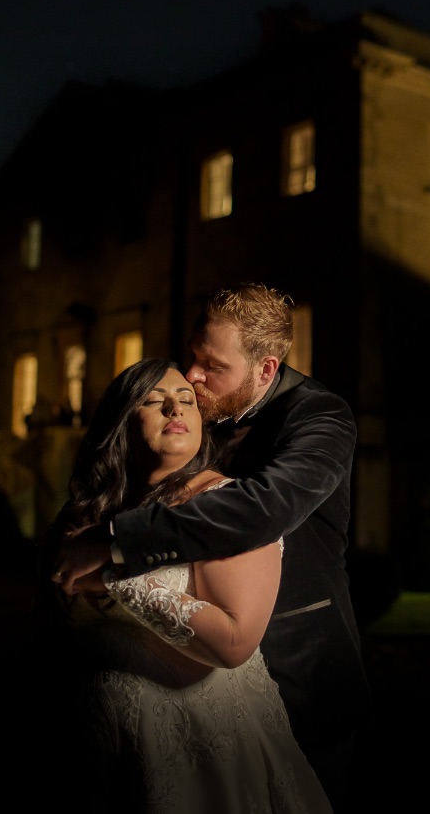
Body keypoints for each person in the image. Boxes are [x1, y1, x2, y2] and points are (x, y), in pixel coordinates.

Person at [55, 284, 371, 810]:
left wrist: (117, 543)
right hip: (170, 694)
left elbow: (264, 508)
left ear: (266, 370)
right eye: (194, 355)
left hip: (297, 674)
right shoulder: (203, 413)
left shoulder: (322, 419)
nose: (193, 376)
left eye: (212, 365)